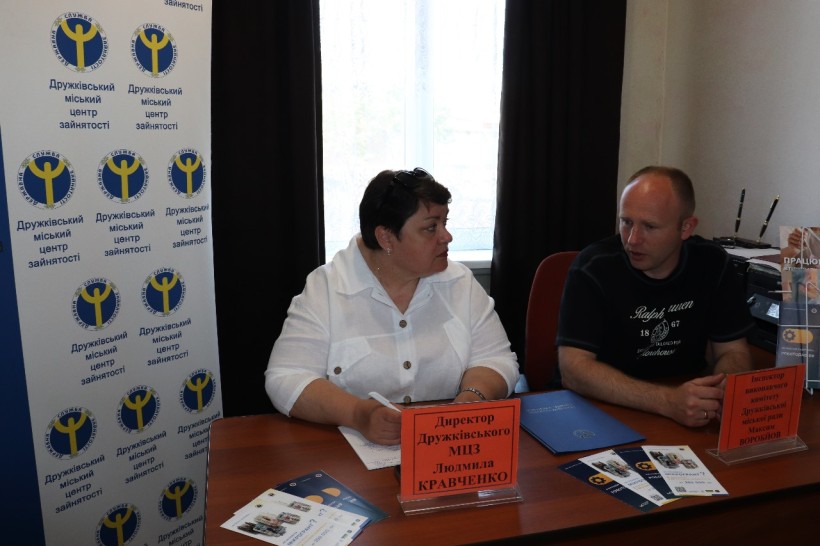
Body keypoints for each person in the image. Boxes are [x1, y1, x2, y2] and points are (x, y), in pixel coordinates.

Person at [264, 168, 519, 445]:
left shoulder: (460, 282)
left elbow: (497, 359)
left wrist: (471, 399)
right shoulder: (326, 288)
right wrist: (358, 413)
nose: (447, 236)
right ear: (386, 238)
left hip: (444, 447)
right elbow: (285, 377)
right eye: (431, 227)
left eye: (445, 223)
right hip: (348, 452)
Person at [556, 165, 755, 428]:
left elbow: (733, 351)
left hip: (687, 410)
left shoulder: (713, 263)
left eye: (649, 226)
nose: (632, 240)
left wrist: (723, 389)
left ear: (686, 227)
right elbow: (573, 371)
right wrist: (667, 401)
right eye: (626, 222)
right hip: (604, 408)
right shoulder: (593, 267)